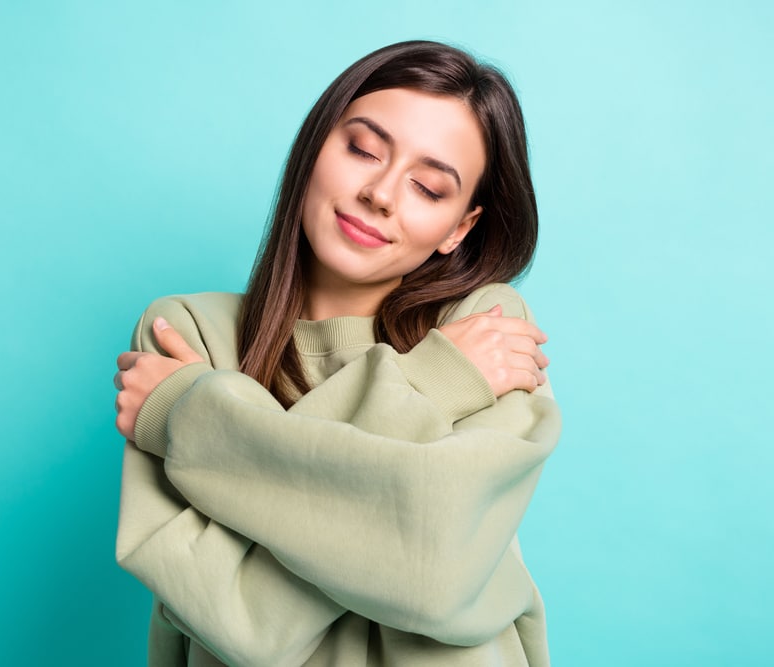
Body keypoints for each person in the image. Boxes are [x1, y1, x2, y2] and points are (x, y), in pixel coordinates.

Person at [114, 40, 561, 666]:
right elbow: (234, 619)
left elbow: (432, 572)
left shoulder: (486, 328)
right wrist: (430, 386)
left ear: (459, 228)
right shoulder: (186, 332)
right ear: (315, 146)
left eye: (429, 187)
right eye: (363, 150)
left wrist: (194, 418)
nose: (381, 193)